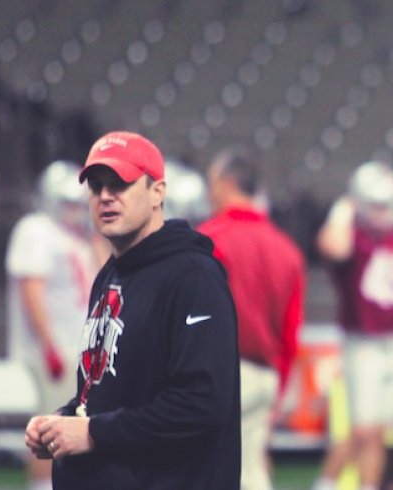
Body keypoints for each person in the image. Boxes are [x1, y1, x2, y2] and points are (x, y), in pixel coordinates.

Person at [23, 131, 241, 489]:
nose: (105, 196)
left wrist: (94, 432)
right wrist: (62, 421)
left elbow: (202, 403)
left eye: (120, 184)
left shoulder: (193, 276)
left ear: (157, 192)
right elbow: (105, 392)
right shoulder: (110, 273)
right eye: (95, 186)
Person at [312, 161, 393, 490]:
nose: (382, 213)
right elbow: (333, 247)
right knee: (362, 428)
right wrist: (342, 211)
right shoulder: (352, 234)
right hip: (363, 341)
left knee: (379, 431)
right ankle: (325, 484)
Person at [198, 145, 306, 490]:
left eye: (213, 182)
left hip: (217, 374)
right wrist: (281, 383)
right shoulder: (285, 249)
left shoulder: (207, 240)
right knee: (250, 468)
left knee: (202, 467)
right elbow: (290, 330)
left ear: (226, 183)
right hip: (265, 376)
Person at [6, 160, 99, 490]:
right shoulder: (36, 230)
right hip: (55, 351)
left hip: (80, 354)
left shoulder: (81, 238)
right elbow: (31, 289)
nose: (74, 211)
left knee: (75, 430)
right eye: (68, 203)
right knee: (50, 429)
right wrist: (49, 346)